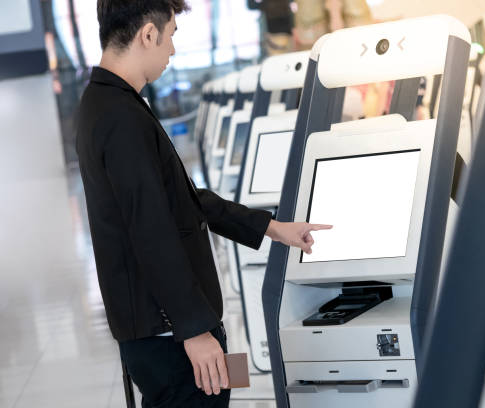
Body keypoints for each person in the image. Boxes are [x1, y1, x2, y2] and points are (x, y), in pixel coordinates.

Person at [76, 1, 331, 406]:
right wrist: (193, 331)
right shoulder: (119, 115)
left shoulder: (107, 104)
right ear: (147, 34)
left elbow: (182, 198)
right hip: (170, 335)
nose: (172, 50)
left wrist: (272, 228)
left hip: (161, 329)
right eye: (172, 35)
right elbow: (151, 230)